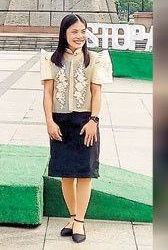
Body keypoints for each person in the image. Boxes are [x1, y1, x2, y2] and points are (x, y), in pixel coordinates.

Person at [40, 13, 113, 243]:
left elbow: (97, 93)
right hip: (60, 122)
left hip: (85, 123)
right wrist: (50, 122)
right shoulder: (51, 59)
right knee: (65, 175)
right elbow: (48, 93)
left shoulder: (95, 59)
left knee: (84, 174)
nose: (79, 36)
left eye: (83, 31)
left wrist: (94, 120)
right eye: (74, 31)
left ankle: (80, 221)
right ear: (64, 34)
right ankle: (72, 217)